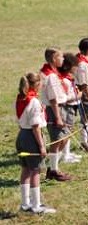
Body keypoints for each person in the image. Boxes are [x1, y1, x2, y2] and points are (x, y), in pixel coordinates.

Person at [15, 72, 56, 214]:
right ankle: (36, 205)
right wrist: (42, 146)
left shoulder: (21, 98)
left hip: (21, 136)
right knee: (35, 171)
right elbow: (35, 126)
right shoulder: (33, 101)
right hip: (32, 137)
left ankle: (25, 204)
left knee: (25, 169)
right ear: (36, 84)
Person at [39, 48, 72, 181]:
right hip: (55, 110)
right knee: (58, 140)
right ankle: (53, 170)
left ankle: (53, 167)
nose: (63, 60)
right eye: (60, 57)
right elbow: (53, 99)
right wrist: (58, 117)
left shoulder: (52, 72)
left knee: (63, 138)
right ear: (54, 59)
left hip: (59, 108)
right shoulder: (51, 76)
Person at [58, 53, 82, 164]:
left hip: (72, 107)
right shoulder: (64, 81)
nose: (76, 68)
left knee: (69, 130)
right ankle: (64, 156)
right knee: (66, 131)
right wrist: (77, 95)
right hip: (67, 108)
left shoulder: (68, 78)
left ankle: (66, 153)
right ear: (68, 66)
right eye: (75, 66)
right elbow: (63, 98)